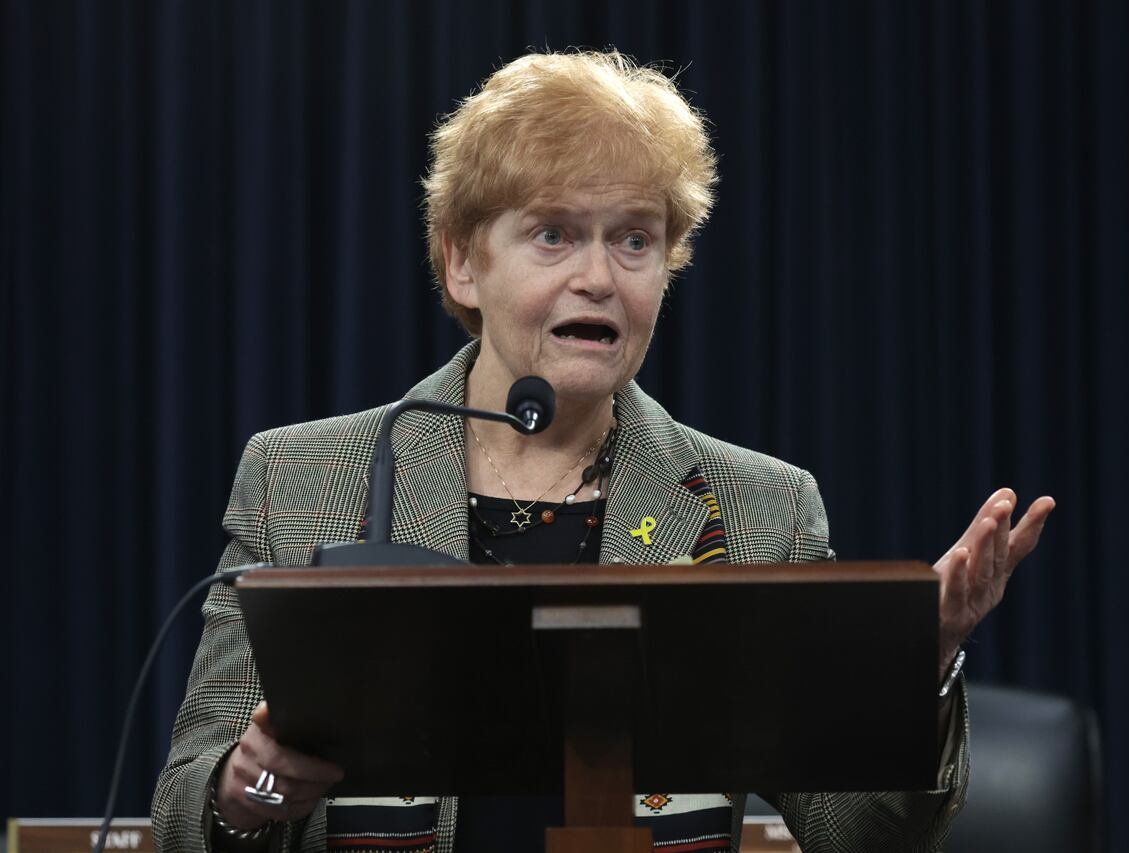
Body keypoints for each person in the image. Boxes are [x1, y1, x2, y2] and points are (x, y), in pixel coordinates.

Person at [152, 50, 1054, 853]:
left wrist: (918, 661)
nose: (598, 275)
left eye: (633, 239)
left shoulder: (754, 507)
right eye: (553, 234)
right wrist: (247, 788)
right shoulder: (301, 478)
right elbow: (188, 817)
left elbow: (858, 833)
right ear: (464, 261)